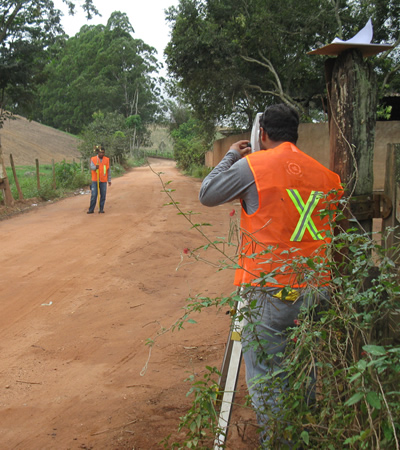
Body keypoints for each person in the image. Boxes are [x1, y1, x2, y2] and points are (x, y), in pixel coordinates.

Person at [199, 104, 342, 444]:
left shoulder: (254, 166)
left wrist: (231, 156)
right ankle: (303, 438)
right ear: (296, 134)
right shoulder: (326, 176)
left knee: (267, 379)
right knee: (303, 371)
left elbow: (207, 193)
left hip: (270, 292)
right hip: (315, 289)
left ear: (262, 134)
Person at [87, 146, 111, 214]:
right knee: (94, 195)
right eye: (100, 153)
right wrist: (95, 167)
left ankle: (101, 209)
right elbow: (91, 167)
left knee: (103, 195)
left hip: (103, 180)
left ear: (104, 153)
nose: (101, 154)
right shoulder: (93, 159)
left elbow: (108, 170)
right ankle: (91, 209)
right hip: (95, 180)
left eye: (103, 153)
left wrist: (109, 180)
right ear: (98, 152)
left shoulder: (107, 160)